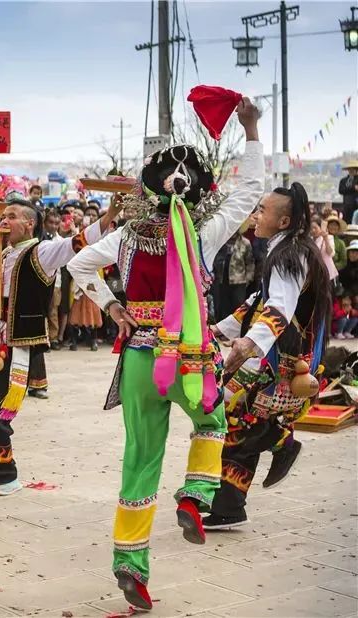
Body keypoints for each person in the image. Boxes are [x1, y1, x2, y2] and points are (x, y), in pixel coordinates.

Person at [67, 98, 262, 610]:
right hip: (192, 359)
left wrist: (113, 307)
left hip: (139, 355)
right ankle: (196, 496)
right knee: (213, 420)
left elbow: (80, 267)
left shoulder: (126, 235)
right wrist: (251, 128)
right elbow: (250, 192)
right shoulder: (203, 232)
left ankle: (130, 562)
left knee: (140, 458)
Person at [0, 190, 118, 497]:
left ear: (28, 224)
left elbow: (77, 242)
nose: (4, 220)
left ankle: (3, 476)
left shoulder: (42, 252)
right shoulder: (2, 255)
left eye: (11, 216)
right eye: (4, 215)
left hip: (15, 342)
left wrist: (107, 217)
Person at [207, 182, 330, 530]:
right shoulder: (288, 249)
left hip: (281, 365)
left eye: (263, 210)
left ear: (284, 220)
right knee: (241, 422)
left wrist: (248, 344)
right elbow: (256, 303)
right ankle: (229, 504)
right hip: (282, 360)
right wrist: (219, 330)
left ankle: (281, 443)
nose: (256, 215)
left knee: (227, 410)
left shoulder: (289, 255)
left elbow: (278, 307)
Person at [211, 232, 255, 322]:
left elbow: (250, 262)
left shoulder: (245, 242)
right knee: (220, 307)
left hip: (239, 281)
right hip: (221, 279)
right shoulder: (220, 242)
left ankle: (237, 329)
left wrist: (248, 279)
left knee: (238, 306)